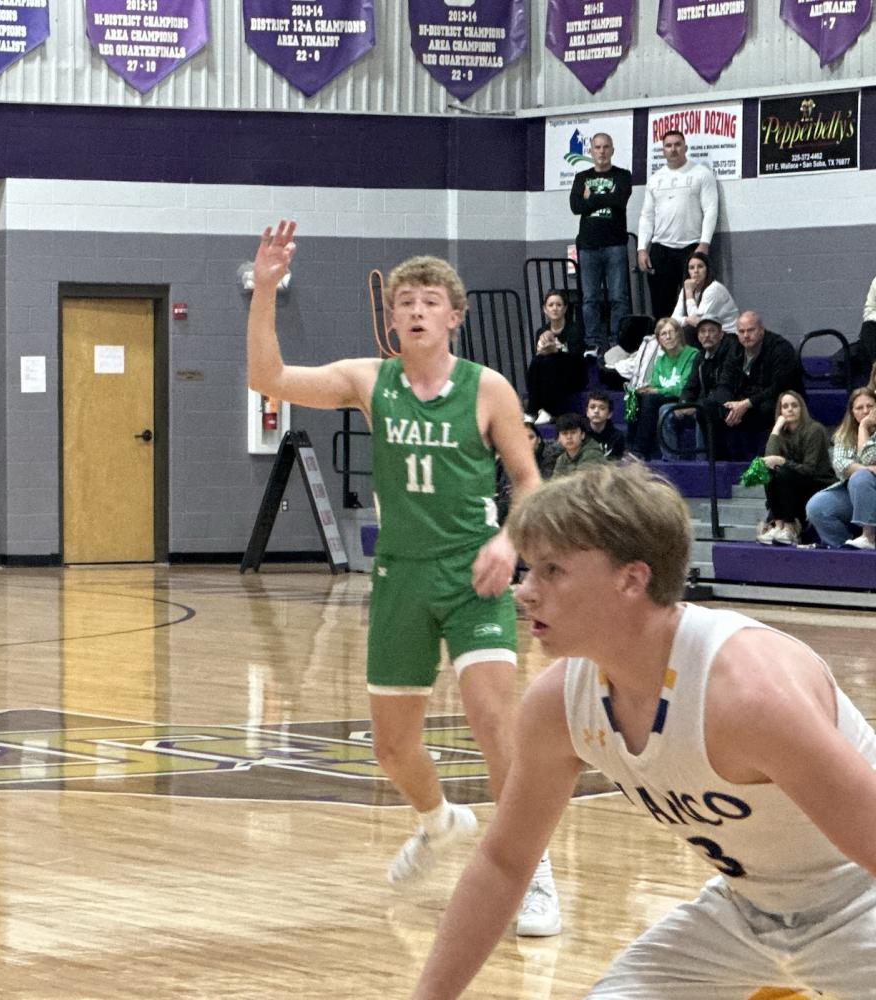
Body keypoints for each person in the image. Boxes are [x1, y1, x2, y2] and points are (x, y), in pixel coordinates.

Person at [410, 462, 876, 1000]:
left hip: (859, 902)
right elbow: (502, 863)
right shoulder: (558, 703)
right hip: (741, 911)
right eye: (528, 569)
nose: (525, 591)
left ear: (631, 578)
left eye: (552, 571)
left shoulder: (747, 694)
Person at [246, 224, 560, 936]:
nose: (416, 310)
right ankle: (438, 820)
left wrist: (511, 541)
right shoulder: (369, 380)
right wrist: (265, 290)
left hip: (472, 573)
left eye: (430, 300)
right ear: (392, 319)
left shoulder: (489, 389)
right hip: (399, 577)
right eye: (405, 301)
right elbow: (269, 379)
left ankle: (531, 872)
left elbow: (530, 480)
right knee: (391, 747)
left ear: (455, 314)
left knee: (491, 718)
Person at [637, 131, 719, 318]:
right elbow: (647, 216)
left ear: (685, 148)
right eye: (668, 145)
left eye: (677, 144)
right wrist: (642, 248)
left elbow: (711, 210)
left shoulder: (701, 174)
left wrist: (704, 244)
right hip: (661, 249)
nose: (673, 149)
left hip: (692, 248)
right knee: (661, 307)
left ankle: (693, 345)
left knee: (695, 306)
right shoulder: (655, 179)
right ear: (663, 150)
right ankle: (664, 345)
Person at [569, 132, 634, 356]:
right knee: (589, 299)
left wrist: (591, 198)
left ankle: (617, 341)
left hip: (615, 244)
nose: (602, 151)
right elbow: (576, 206)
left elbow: (620, 200)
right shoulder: (581, 177)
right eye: (597, 147)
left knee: (618, 297)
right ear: (591, 151)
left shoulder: (623, 175)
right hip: (588, 246)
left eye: (606, 147)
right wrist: (606, 196)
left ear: (613, 150)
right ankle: (593, 342)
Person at [722, 311, 805, 457]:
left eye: (750, 330)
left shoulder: (780, 347)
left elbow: (779, 386)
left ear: (761, 330)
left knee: (765, 408)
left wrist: (747, 403)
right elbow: (726, 379)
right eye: (741, 331)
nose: (746, 335)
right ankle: (724, 460)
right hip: (749, 397)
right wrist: (730, 403)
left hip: (780, 397)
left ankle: (767, 458)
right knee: (717, 408)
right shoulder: (735, 349)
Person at [757, 390, 833, 546]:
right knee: (770, 472)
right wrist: (776, 430)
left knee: (783, 471)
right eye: (785, 406)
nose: (790, 409)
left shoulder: (815, 429)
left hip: (818, 481)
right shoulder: (782, 433)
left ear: (802, 408)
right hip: (793, 479)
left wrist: (782, 461)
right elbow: (769, 461)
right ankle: (778, 526)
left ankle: (791, 526)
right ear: (780, 411)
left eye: (794, 405)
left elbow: (810, 470)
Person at [805, 387, 876, 551]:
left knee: (860, 478)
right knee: (817, 507)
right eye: (859, 408)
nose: (865, 411)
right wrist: (868, 469)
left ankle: (869, 537)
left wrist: (864, 428)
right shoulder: (843, 434)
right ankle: (844, 549)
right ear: (852, 412)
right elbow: (840, 466)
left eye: (870, 406)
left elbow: (866, 457)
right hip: (854, 493)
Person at [665, 316, 743, 459]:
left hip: (722, 406)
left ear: (721, 334)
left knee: (704, 412)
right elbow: (690, 387)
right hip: (701, 403)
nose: (707, 335)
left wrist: (696, 406)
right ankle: (670, 461)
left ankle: (702, 462)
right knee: (665, 411)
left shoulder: (730, 354)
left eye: (711, 331)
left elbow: (724, 390)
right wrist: (683, 403)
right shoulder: (700, 357)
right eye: (702, 331)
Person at [627, 317, 698, 459]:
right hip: (662, 397)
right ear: (659, 340)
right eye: (663, 334)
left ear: (679, 334)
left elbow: (683, 387)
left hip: (683, 398)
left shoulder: (692, 354)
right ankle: (630, 447)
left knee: (650, 399)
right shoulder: (660, 360)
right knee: (633, 397)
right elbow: (655, 384)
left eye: (671, 332)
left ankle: (640, 451)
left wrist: (657, 391)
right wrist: (646, 388)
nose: (668, 337)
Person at [524, 289, 586, 422]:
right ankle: (532, 410)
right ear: (545, 309)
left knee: (548, 362)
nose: (555, 308)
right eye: (551, 305)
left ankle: (548, 410)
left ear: (565, 309)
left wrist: (556, 351)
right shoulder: (542, 331)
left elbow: (576, 359)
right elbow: (539, 354)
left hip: (572, 373)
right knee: (537, 362)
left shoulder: (574, 330)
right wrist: (544, 350)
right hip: (549, 370)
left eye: (558, 305)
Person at [670, 250, 738, 338]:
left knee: (688, 331)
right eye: (691, 268)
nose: (696, 271)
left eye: (700, 267)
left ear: (707, 270)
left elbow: (698, 323)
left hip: (728, 336)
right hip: (709, 335)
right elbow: (673, 320)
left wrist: (689, 293)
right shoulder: (686, 289)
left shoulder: (714, 288)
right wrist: (686, 320)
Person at [549, 412, 608, 477]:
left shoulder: (592, 454)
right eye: (564, 433)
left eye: (573, 432)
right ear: (558, 438)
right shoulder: (561, 459)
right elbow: (555, 484)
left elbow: (583, 484)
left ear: (582, 435)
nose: (569, 437)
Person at [583, 390, 626, 459]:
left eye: (602, 408)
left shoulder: (617, 437)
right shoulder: (580, 433)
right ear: (587, 412)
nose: (596, 411)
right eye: (592, 407)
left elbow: (617, 462)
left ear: (609, 414)